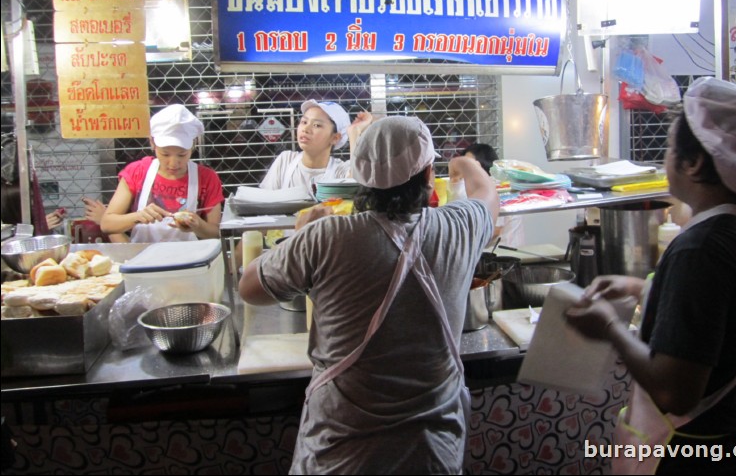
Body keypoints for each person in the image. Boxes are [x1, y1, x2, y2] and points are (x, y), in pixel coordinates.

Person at [240, 116, 499, 474]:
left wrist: (296, 237)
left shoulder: (327, 236)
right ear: (428, 177)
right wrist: (467, 163)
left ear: (359, 179)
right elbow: (487, 194)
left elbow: (250, 288)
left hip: (339, 456)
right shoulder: (458, 226)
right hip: (431, 456)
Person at [565, 78, 736, 475]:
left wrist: (608, 327)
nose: (665, 159)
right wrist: (642, 288)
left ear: (693, 162)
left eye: (671, 149)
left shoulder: (703, 247)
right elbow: (732, 315)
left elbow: (676, 391)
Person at [101, 105, 224, 242]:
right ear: (152, 143)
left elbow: (215, 232)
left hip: (189, 258)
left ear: (193, 146)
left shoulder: (207, 178)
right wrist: (138, 216)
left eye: (182, 155)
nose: (173, 163)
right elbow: (107, 224)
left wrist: (198, 225)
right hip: (143, 259)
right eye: (165, 154)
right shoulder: (137, 172)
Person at [259, 99, 373, 197]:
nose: (305, 129)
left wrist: (354, 133)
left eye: (317, 125)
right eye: (304, 122)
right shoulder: (286, 160)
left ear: (335, 138)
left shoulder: (341, 170)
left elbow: (356, 189)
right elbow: (264, 201)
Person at [460, 143, 525, 248]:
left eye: (469, 165)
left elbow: (494, 231)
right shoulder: (486, 186)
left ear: (483, 164)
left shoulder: (496, 187)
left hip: (505, 254)